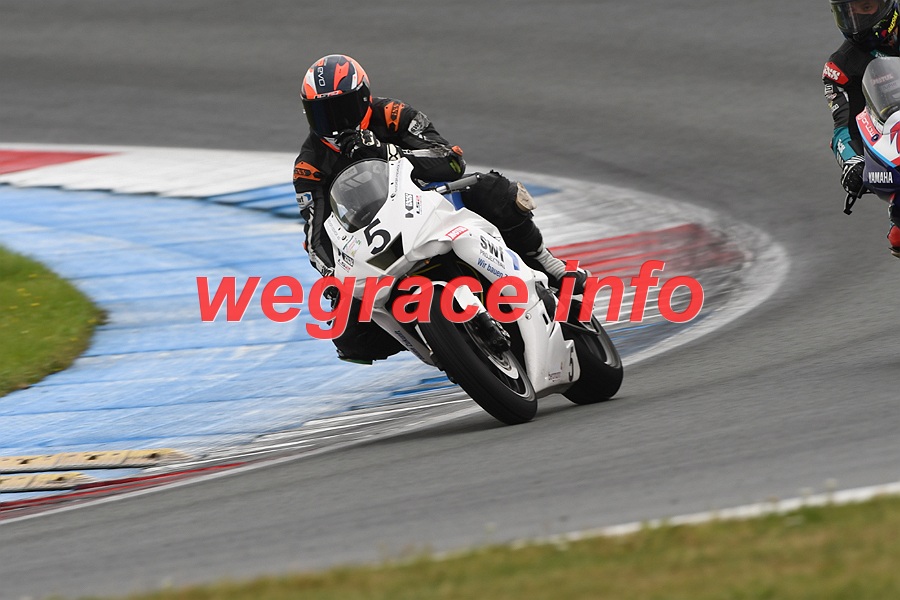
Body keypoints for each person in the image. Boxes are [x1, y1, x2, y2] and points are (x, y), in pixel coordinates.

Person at [293, 54, 588, 363]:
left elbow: (450, 160)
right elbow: (316, 232)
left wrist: (385, 150)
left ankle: (545, 262)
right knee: (347, 336)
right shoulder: (309, 165)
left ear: (364, 99)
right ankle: (437, 341)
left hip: (433, 201)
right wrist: (332, 273)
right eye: (323, 113)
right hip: (376, 237)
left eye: (342, 109)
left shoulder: (393, 114)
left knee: (493, 189)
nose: (335, 123)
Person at [824, 0, 900, 255]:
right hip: (897, 143)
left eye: (865, 8)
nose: (856, 21)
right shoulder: (841, 66)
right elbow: (843, 128)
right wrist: (852, 161)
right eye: (848, 13)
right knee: (898, 235)